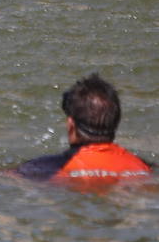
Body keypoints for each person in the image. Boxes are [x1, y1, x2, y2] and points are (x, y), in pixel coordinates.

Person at [10, 73, 151, 187]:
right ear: (116, 122)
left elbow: (0, 178)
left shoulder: (47, 168)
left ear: (71, 125)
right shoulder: (142, 166)